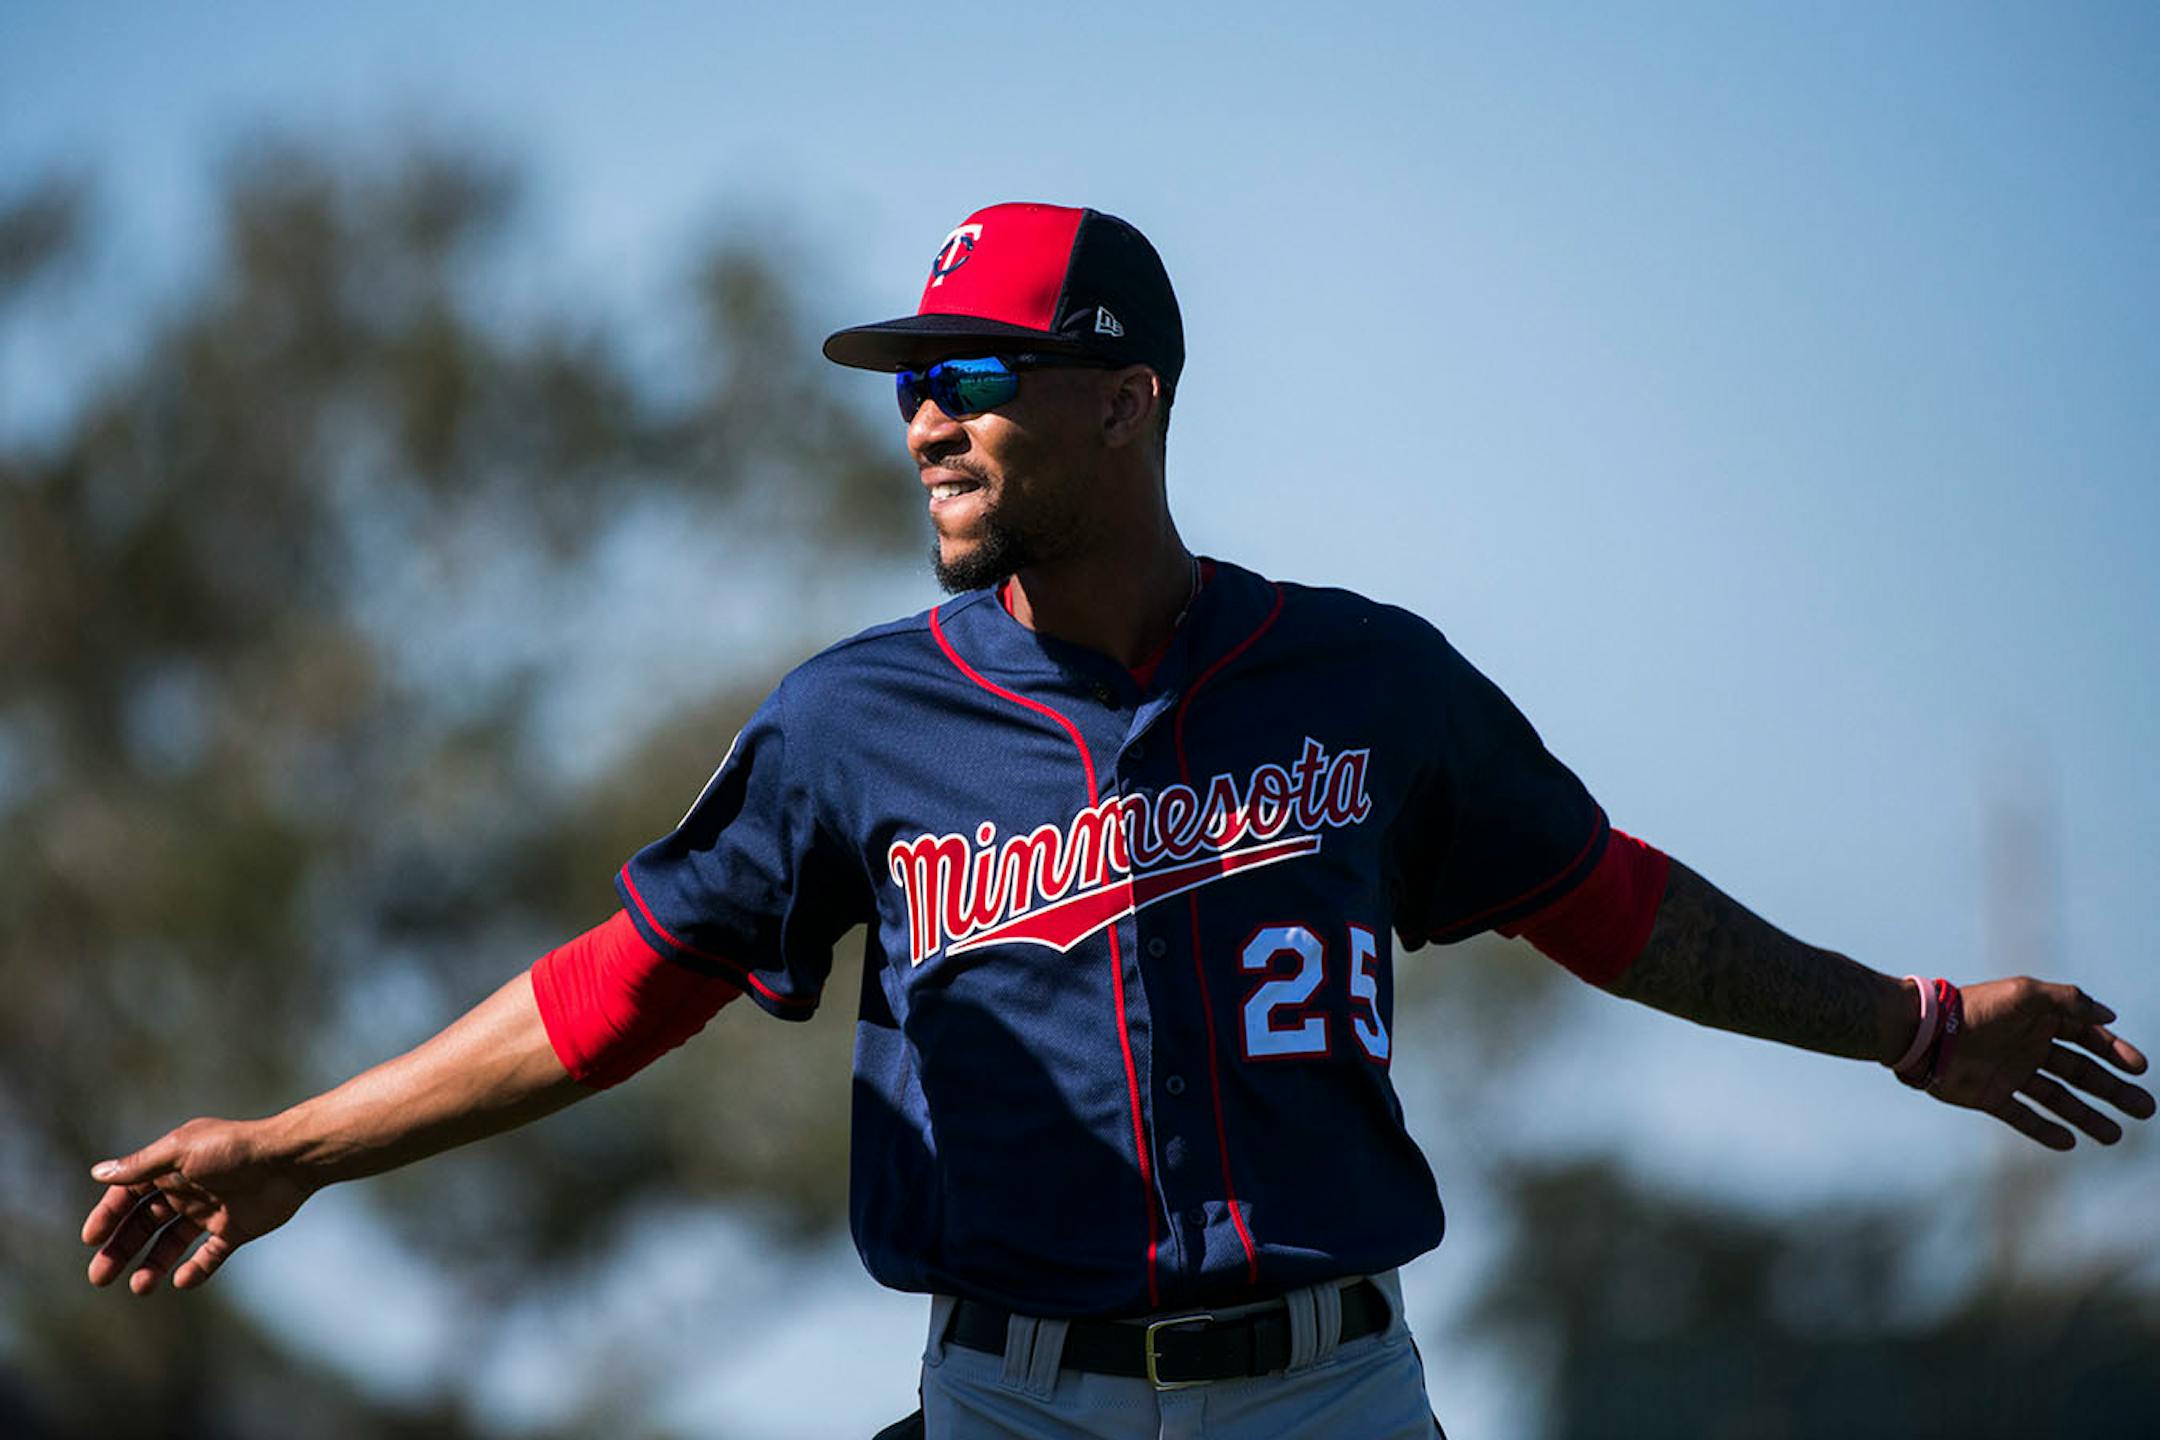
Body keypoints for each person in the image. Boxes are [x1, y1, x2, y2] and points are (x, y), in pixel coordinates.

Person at [82, 203, 2154, 1439]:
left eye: (973, 371)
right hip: (1011, 1398)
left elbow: (1615, 907)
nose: (924, 415)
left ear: (1122, 394)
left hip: (1331, 1395)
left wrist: (1911, 1025)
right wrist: (290, 1152)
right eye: (908, 380)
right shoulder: (855, 723)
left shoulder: (1366, 681)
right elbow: (622, 990)